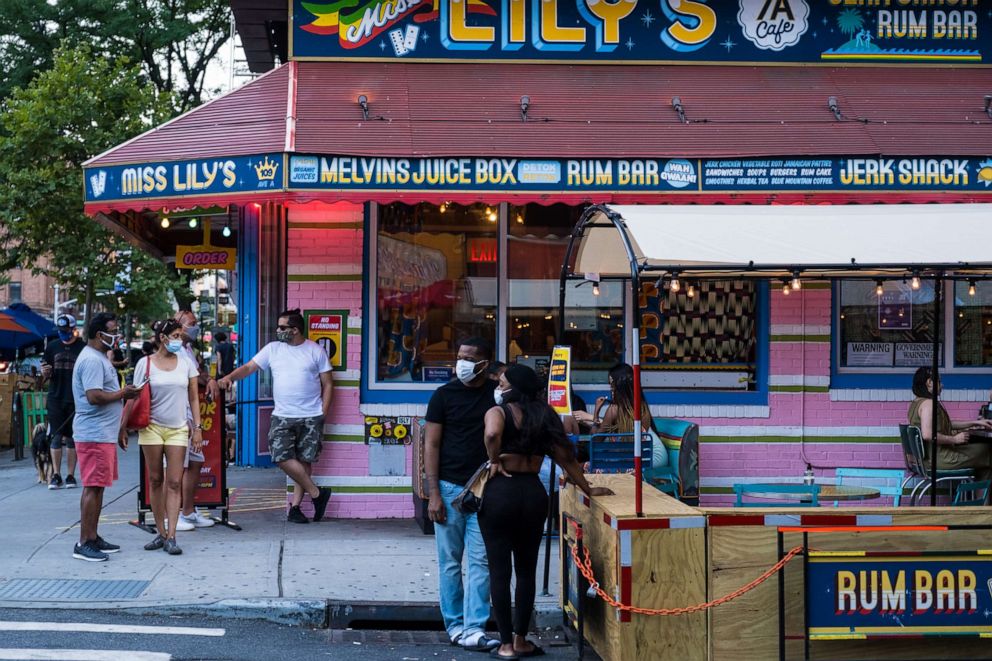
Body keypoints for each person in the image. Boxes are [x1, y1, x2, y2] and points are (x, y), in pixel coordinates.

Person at [481, 365, 613, 659]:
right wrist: (587, 488)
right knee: (526, 569)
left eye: (502, 383)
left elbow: (492, 435)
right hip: (532, 494)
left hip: (501, 492)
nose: (499, 387)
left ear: (514, 387)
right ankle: (521, 640)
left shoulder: (497, 412)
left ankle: (503, 645)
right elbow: (566, 457)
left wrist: (494, 460)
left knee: (499, 571)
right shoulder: (545, 415)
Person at [218, 309, 333, 523]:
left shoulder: (316, 351)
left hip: (311, 415)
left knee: (304, 460)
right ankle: (317, 494)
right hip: (282, 415)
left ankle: (296, 508)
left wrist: (323, 413)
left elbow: (328, 384)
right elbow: (249, 367)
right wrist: (229, 377)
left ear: (295, 330)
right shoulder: (273, 349)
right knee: (281, 456)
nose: (277, 331)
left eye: (282, 327)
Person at [424, 337, 500, 652]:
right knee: (450, 562)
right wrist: (433, 493)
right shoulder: (442, 396)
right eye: (459, 356)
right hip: (448, 488)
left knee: (481, 561)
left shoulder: (496, 396)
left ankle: (475, 628)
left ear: (485, 363)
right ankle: (455, 625)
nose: (462, 363)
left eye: (470, 357)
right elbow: (431, 445)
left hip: (485, 489)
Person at [121, 319, 202, 555]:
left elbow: (194, 397)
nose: (179, 339)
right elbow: (133, 397)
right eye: (175, 335)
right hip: (152, 428)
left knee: (175, 481)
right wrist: (123, 427)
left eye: (180, 335)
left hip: (178, 428)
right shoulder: (145, 363)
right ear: (163, 338)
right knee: (155, 479)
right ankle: (161, 532)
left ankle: (172, 535)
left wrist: (197, 428)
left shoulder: (186, 363)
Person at [70, 312, 141, 561]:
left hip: (102, 434)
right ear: (100, 334)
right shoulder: (91, 360)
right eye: (113, 330)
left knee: (98, 487)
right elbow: (94, 396)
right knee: (92, 487)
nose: (117, 335)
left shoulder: (99, 358)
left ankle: (92, 536)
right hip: (93, 434)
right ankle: (84, 542)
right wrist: (124, 393)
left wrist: (120, 427)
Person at [572, 363, 669, 470]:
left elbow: (595, 441)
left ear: (620, 386)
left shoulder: (614, 410)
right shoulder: (641, 406)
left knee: (592, 465)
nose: (611, 390)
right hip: (655, 455)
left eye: (612, 386)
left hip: (649, 459)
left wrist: (596, 414)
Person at [908, 367, 992, 485]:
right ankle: (980, 502)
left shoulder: (917, 403)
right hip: (940, 459)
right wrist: (954, 439)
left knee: (984, 463)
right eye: (939, 382)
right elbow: (927, 434)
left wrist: (976, 422)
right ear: (930, 383)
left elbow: (946, 424)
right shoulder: (929, 404)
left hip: (927, 459)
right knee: (987, 450)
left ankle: (980, 501)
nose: (942, 386)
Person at [174, 307, 219, 530]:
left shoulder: (188, 348)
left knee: (195, 462)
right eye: (190, 323)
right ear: (178, 325)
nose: (195, 327)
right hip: (178, 416)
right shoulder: (173, 350)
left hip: (191, 415)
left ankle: (188, 511)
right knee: (178, 467)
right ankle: (173, 515)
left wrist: (209, 379)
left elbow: (198, 374)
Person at [41, 314, 85, 490]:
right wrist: (45, 373)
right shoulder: (52, 347)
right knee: (56, 436)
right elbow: (44, 375)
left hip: (75, 398)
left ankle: (70, 475)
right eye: (60, 331)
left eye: (66, 331)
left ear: (73, 329)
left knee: (72, 438)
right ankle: (56, 474)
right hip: (56, 397)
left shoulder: (82, 348)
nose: (63, 334)